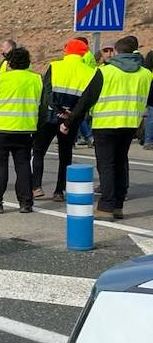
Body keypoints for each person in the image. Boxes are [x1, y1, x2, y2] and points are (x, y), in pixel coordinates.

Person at [63, 35, 153, 220]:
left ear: (117, 51)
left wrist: (68, 122)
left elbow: (86, 100)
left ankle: (106, 206)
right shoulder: (146, 74)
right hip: (130, 124)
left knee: (106, 165)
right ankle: (118, 205)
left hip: (105, 124)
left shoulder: (105, 72)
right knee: (121, 163)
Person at [0, 47, 42, 214]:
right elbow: (44, 108)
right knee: (24, 167)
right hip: (25, 131)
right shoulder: (37, 80)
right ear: (28, 63)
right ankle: (26, 203)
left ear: (9, 63)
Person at [32, 38, 94, 202]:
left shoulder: (55, 66)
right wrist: (70, 115)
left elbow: (47, 92)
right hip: (71, 119)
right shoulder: (90, 71)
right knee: (65, 155)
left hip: (50, 116)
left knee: (39, 151)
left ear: (66, 51)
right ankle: (59, 191)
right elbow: (86, 100)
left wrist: (59, 110)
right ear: (84, 53)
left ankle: (36, 186)